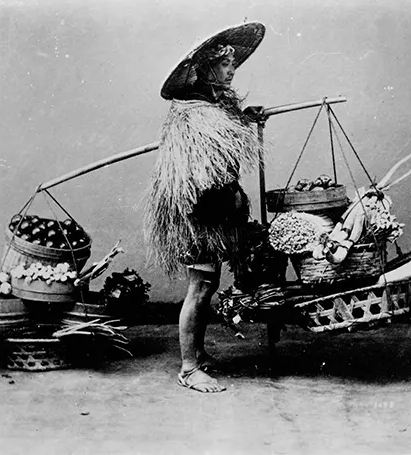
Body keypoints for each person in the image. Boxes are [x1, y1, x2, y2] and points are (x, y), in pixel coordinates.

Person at [145, 22, 267, 393]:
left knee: (208, 284)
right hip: (197, 214)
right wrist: (244, 126)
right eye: (226, 65)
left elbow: (229, 134)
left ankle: (197, 353)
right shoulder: (193, 115)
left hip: (211, 212)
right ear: (208, 69)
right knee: (199, 288)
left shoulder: (211, 107)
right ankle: (188, 368)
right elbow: (205, 172)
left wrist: (247, 118)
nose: (233, 71)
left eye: (233, 65)